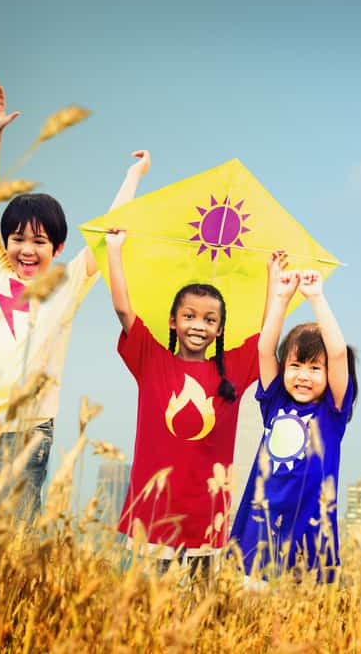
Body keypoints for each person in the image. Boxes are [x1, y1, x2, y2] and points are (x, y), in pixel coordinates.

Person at [0, 79, 149, 519]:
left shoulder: (68, 283)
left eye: (39, 241)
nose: (27, 249)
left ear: (57, 248)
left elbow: (106, 232)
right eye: (18, 238)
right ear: (4, 241)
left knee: (17, 541)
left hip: (26, 432)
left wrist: (132, 176)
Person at [105, 228, 267, 574]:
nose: (198, 325)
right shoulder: (151, 360)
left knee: (198, 615)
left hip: (208, 519)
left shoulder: (233, 371)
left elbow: (267, 337)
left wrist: (275, 279)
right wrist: (114, 249)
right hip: (152, 516)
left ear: (220, 330)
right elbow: (122, 307)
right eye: (189, 316)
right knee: (144, 610)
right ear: (173, 321)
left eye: (210, 320)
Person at [230, 264, 356, 583]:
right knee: (251, 608)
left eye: (315, 368)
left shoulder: (332, 411)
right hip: (259, 526)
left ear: (330, 376)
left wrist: (316, 298)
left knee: (302, 614)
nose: (302, 375)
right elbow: (264, 348)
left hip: (308, 529)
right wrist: (282, 299)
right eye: (296, 365)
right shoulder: (276, 402)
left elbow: (338, 353)